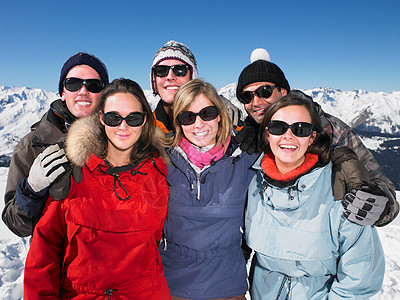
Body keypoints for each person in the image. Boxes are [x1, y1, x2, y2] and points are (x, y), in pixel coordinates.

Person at [24, 78, 171, 299]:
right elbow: (44, 255)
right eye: (114, 118)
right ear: (101, 118)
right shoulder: (73, 173)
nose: (123, 126)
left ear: (144, 121)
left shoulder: (159, 173)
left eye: (133, 118)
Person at [235, 48, 398, 226]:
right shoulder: (247, 134)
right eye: (247, 96)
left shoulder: (330, 129)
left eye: (264, 91)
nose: (256, 102)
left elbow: (383, 189)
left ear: (283, 92)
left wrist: (379, 205)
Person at [245, 95, 385, 299]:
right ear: (267, 134)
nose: (288, 136)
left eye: (300, 129)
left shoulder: (339, 186)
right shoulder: (252, 183)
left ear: (312, 137)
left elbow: (359, 277)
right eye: (278, 127)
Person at [159, 79, 258, 300]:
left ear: (220, 114)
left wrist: (342, 160)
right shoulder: (163, 160)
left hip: (227, 287)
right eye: (188, 117)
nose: (198, 124)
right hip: (173, 285)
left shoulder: (246, 160)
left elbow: (293, 149)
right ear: (178, 122)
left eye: (207, 113)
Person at [2, 52, 110, 237]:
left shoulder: (118, 136)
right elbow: (16, 224)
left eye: (93, 85)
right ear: (62, 92)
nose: (83, 91)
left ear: (104, 94)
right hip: (55, 260)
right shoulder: (32, 145)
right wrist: (31, 190)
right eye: (73, 84)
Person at [151, 40, 242, 132]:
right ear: (154, 79)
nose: (170, 77)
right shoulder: (143, 128)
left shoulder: (220, 119)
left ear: (192, 78)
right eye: (161, 70)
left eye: (180, 70)